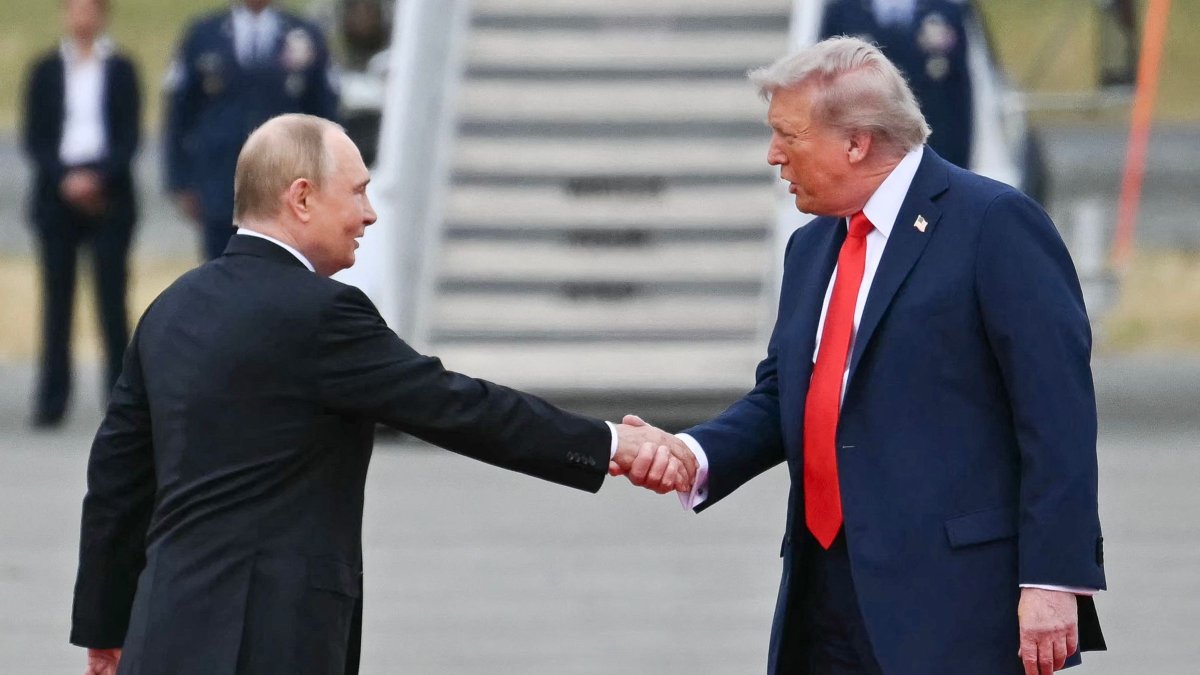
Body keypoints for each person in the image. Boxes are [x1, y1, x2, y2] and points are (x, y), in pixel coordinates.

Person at [69, 114, 695, 675]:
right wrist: (612, 442)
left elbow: (118, 475)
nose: (370, 214)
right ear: (302, 198)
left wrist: (104, 625)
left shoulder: (169, 310)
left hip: (164, 625)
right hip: (273, 639)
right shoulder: (323, 313)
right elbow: (457, 406)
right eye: (360, 191)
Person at [615, 37, 1106, 675]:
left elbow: (1058, 416)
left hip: (955, 602)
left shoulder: (993, 224)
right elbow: (784, 394)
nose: (773, 156)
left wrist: (1052, 578)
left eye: (788, 136)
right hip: (825, 595)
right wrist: (696, 453)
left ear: (857, 142)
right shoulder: (812, 247)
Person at [22, 0, 140, 428]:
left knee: (112, 300)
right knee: (57, 300)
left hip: (109, 195)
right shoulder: (45, 69)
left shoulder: (121, 68)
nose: (82, 18)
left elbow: (129, 135)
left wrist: (98, 178)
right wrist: (66, 179)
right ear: (64, 14)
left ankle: (121, 400)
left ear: (103, 15)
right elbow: (35, 137)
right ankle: (52, 400)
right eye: (75, 9)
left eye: (90, 10)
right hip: (57, 194)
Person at [164, 0, 339, 261]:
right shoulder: (204, 34)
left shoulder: (304, 35)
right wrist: (181, 179)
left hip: (286, 184)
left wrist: (324, 179)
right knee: (221, 275)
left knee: (282, 272)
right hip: (220, 184)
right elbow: (179, 112)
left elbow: (325, 114)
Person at [821, 0, 974, 169]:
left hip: (934, 152)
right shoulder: (841, 13)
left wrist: (960, 165)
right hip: (863, 156)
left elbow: (960, 94)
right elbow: (825, 89)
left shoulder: (946, 12)